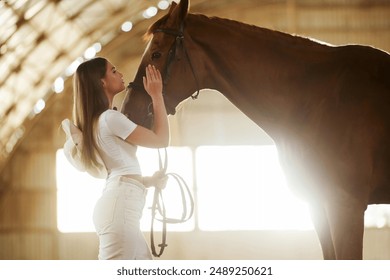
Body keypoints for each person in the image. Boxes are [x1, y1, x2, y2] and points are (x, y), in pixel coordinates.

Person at [71, 57, 169, 260]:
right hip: (120, 208)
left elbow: (118, 168)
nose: (121, 73)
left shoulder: (97, 121)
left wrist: (149, 181)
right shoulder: (110, 119)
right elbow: (161, 139)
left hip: (120, 205)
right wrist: (157, 96)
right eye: (114, 71)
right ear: (102, 82)